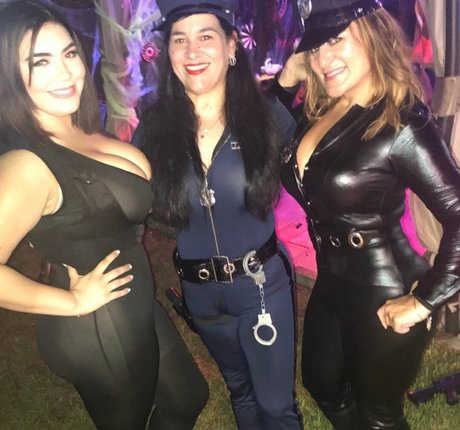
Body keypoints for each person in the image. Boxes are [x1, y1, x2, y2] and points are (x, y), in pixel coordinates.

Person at [0, 1, 208, 429]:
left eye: (69, 54)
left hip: (131, 304)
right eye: (40, 62)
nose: (65, 73)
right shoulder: (25, 164)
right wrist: (73, 300)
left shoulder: (76, 131)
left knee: (188, 396)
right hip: (96, 326)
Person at [273, 0, 460, 428]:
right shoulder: (323, 107)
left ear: (373, 33)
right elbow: (261, 129)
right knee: (321, 383)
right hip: (332, 279)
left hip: (384, 288)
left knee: (379, 414)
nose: (322, 60)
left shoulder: (402, 124)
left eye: (336, 40)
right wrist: (285, 80)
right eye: (315, 47)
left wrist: (424, 301)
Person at [135, 1, 303, 429]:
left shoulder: (267, 117)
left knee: (276, 406)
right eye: (180, 39)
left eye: (205, 36)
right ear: (168, 52)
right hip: (200, 293)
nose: (192, 51)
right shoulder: (153, 129)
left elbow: (319, 170)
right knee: (240, 391)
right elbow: (127, 203)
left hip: (260, 286)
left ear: (231, 46)